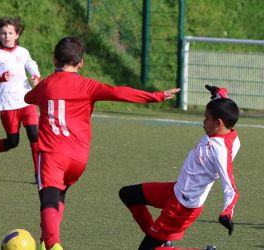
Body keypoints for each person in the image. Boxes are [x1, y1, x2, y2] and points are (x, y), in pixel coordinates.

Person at [24, 36, 180, 250]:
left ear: (54, 60)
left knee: (48, 200)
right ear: (80, 63)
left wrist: (39, 87)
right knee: (59, 195)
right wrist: (156, 96)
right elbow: (119, 92)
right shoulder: (88, 85)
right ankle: (45, 242)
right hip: (78, 158)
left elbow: (28, 98)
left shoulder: (46, 85)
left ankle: (52, 245)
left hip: (53, 154)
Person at [119, 86, 240, 250]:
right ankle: (160, 241)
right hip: (174, 191)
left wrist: (226, 214)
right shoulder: (224, 129)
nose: (203, 121)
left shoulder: (220, 151)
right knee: (128, 194)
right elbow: (225, 104)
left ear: (218, 123)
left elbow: (230, 189)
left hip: (182, 207)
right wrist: (220, 93)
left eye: (206, 118)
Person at [0, 16, 40, 179]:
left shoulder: (23, 52)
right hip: (8, 105)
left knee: (34, 135)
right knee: (13, 142)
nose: (6, 36)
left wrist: (36, 75)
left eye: (10, 33)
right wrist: (2, 77)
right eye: (3, 33)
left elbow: (30, 64)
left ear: (17, 35)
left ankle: (39, 174)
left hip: (26, 100)